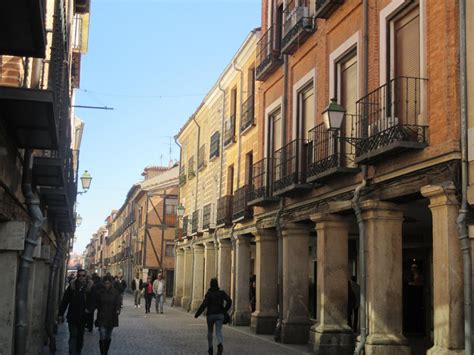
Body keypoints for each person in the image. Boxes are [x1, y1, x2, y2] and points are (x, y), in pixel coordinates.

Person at [58, 269, 94, 355]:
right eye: (79, 275)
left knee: (80, 337)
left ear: (86, 277)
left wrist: (89, 309)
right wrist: (61, 313)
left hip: (83, 317)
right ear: (77, 276)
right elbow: (65, 300)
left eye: (83, 275)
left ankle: (78, 351)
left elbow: (93, 301)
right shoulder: (72, 286)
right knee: (73, 335)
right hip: (72, 316)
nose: (81, 277)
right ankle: (72, 352)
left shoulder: (89, 287)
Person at [195, 278, 232, 355]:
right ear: (217, 284)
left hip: (211, 315)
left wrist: (197, 314)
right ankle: (220, 344)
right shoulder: (221, 293)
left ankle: (210, 348)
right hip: (220, 315)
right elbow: (229, 300)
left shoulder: (209, 294)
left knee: (210, 331)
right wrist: (225, 310)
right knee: (218, 331)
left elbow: (204, 305)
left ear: (210, 285)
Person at [95, 275, 121, 355]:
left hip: (111, 317)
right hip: (102, 317)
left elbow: (118, 303)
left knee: (108, 336)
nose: (107, 285)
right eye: (105, 283)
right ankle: (103, 353)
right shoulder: (100, 293)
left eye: (108, 283)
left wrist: (117, 310)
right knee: (102, 335)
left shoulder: (115, 292)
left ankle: (105, 351)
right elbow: (96, 303)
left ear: (110, 283)